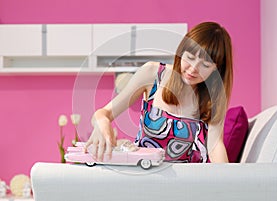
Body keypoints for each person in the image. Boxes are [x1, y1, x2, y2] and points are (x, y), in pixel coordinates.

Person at [85, 21, 233, 163]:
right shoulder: (153, 73)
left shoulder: (213, 97)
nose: (193, 69)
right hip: (145, 175)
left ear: (216, 69)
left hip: (189, 182)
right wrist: (102, 123)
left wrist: (230, 183)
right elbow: (104, 113)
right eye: (190, 57)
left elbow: (215, 147)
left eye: (205, 65)